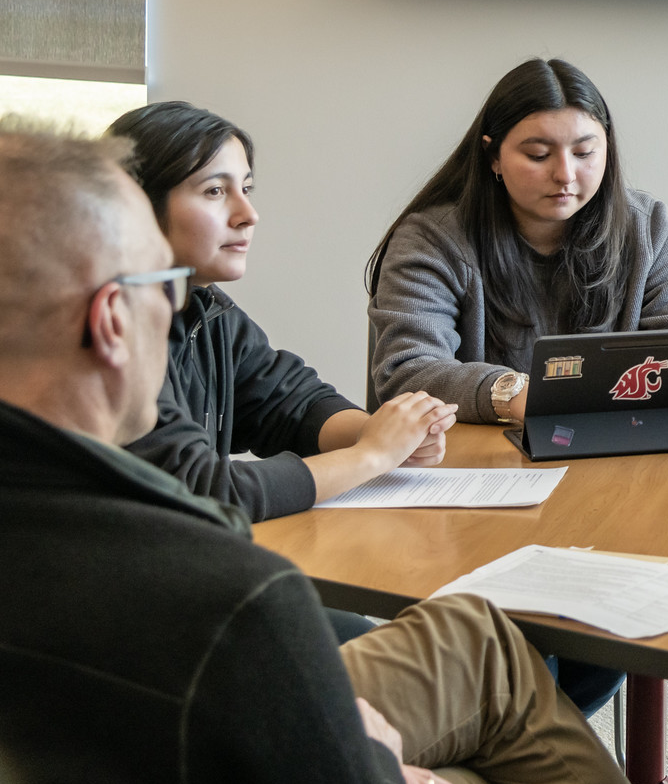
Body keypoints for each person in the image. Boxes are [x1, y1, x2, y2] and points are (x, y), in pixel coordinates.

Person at [0, 120, 633, 784]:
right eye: (162, 284)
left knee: (478, 654)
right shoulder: (233, 605)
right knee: (492, 720)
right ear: (112, 319)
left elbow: (290, 397)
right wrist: (382, 766)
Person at [113, 101, 457, 524]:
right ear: (137, 206)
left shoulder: (205, 307)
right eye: (215, 191)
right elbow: (202, 490)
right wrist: (372, 455)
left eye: (246, 188)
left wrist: (381, 433)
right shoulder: (112, 332)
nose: (248, 215)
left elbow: (289, 401)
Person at [369, 56, 668, 424]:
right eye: (538, 155)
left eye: (584, 153)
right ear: (494, 157)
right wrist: (515, 393)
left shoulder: (649, 228)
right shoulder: (432, 239)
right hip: (479, 464)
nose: (565, 174)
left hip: (616, 452)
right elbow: (407, 372)